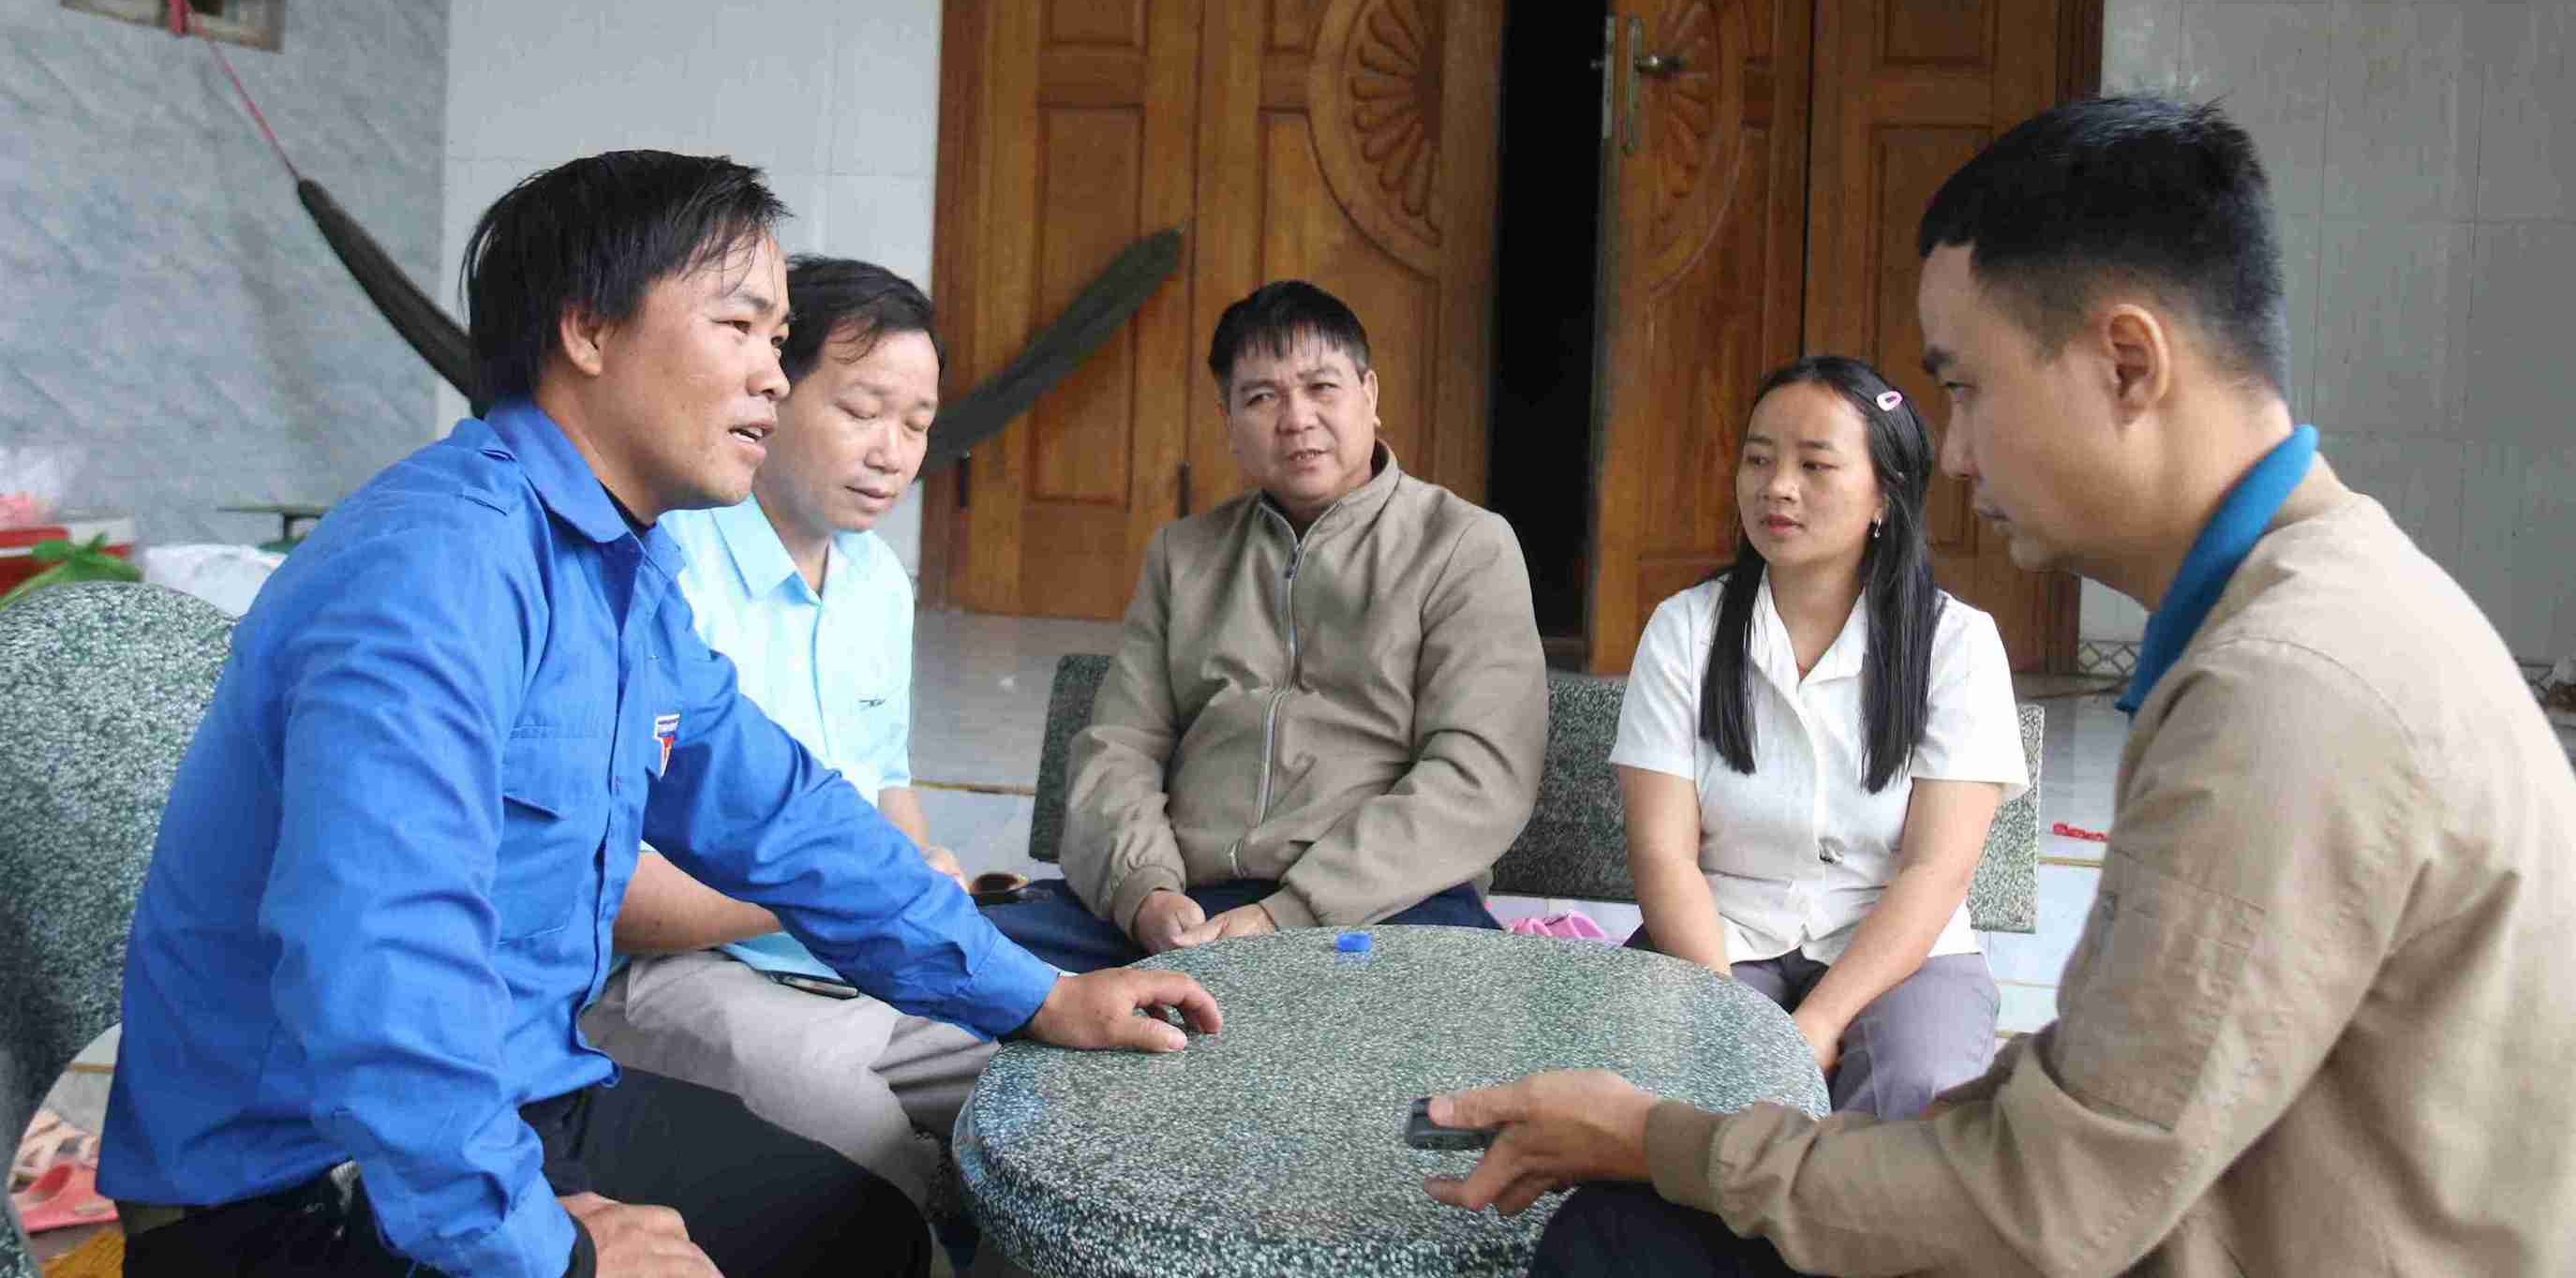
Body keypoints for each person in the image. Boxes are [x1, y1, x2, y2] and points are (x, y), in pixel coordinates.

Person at [1422, 97, 2576, 1275]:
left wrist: (1663, 1138)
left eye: (1966, 388)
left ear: (2128, 363)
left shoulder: (2286, 691)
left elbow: (2047, 1203)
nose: (1956, 456)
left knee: (1622, 1238)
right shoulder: (2327, 601)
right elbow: (2105, 1115)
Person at [100, 153, 1220, 1278]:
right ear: (588, 329)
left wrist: (1039, 993)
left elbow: (785, 817)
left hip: (514, 1092)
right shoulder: (433, 570)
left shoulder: (617, 572)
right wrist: (557, 1253)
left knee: (865, 1232)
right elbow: (383, 970)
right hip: (305, 1180)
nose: (772, 378)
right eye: (739, 325)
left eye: (779, 342)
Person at [576, 258, 987, 1212]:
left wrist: (915, 863)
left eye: (916, 424)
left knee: (1046, 1096)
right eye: (861, 408)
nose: (890, 449)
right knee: (858, 1132)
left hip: (847, 950)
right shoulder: (670, 569)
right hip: (670, 968)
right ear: (771, 390)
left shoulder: (878, 580)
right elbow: (620, 888)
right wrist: (835, 883)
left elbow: (889, 780)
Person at [990, 279, 1548, 972]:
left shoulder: (1462, 546)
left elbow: (1479, 776)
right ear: (1226, 421)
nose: (1295, 419)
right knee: (966, 970)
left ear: (1369, 396)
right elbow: (1119, 747)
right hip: (1188, 905)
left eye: (1321, 388)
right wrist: (1144, 892)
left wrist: (1290, 913)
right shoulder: (1185, 555)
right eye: (1261, 397)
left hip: (1381, 909)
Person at [1611, 354, 2025, 1121]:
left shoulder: (1956, 644)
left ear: (1883, 496)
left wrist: (1822, 1021)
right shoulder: (1685, 629)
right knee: (1668, 1081)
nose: (1777, 487)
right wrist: (1731, 1019)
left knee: (1912, 1091)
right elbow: (1662, 853)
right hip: (1718, 938)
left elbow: (1934, 872)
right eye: (1759, 458)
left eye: (1815, 464)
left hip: (1898, 951)